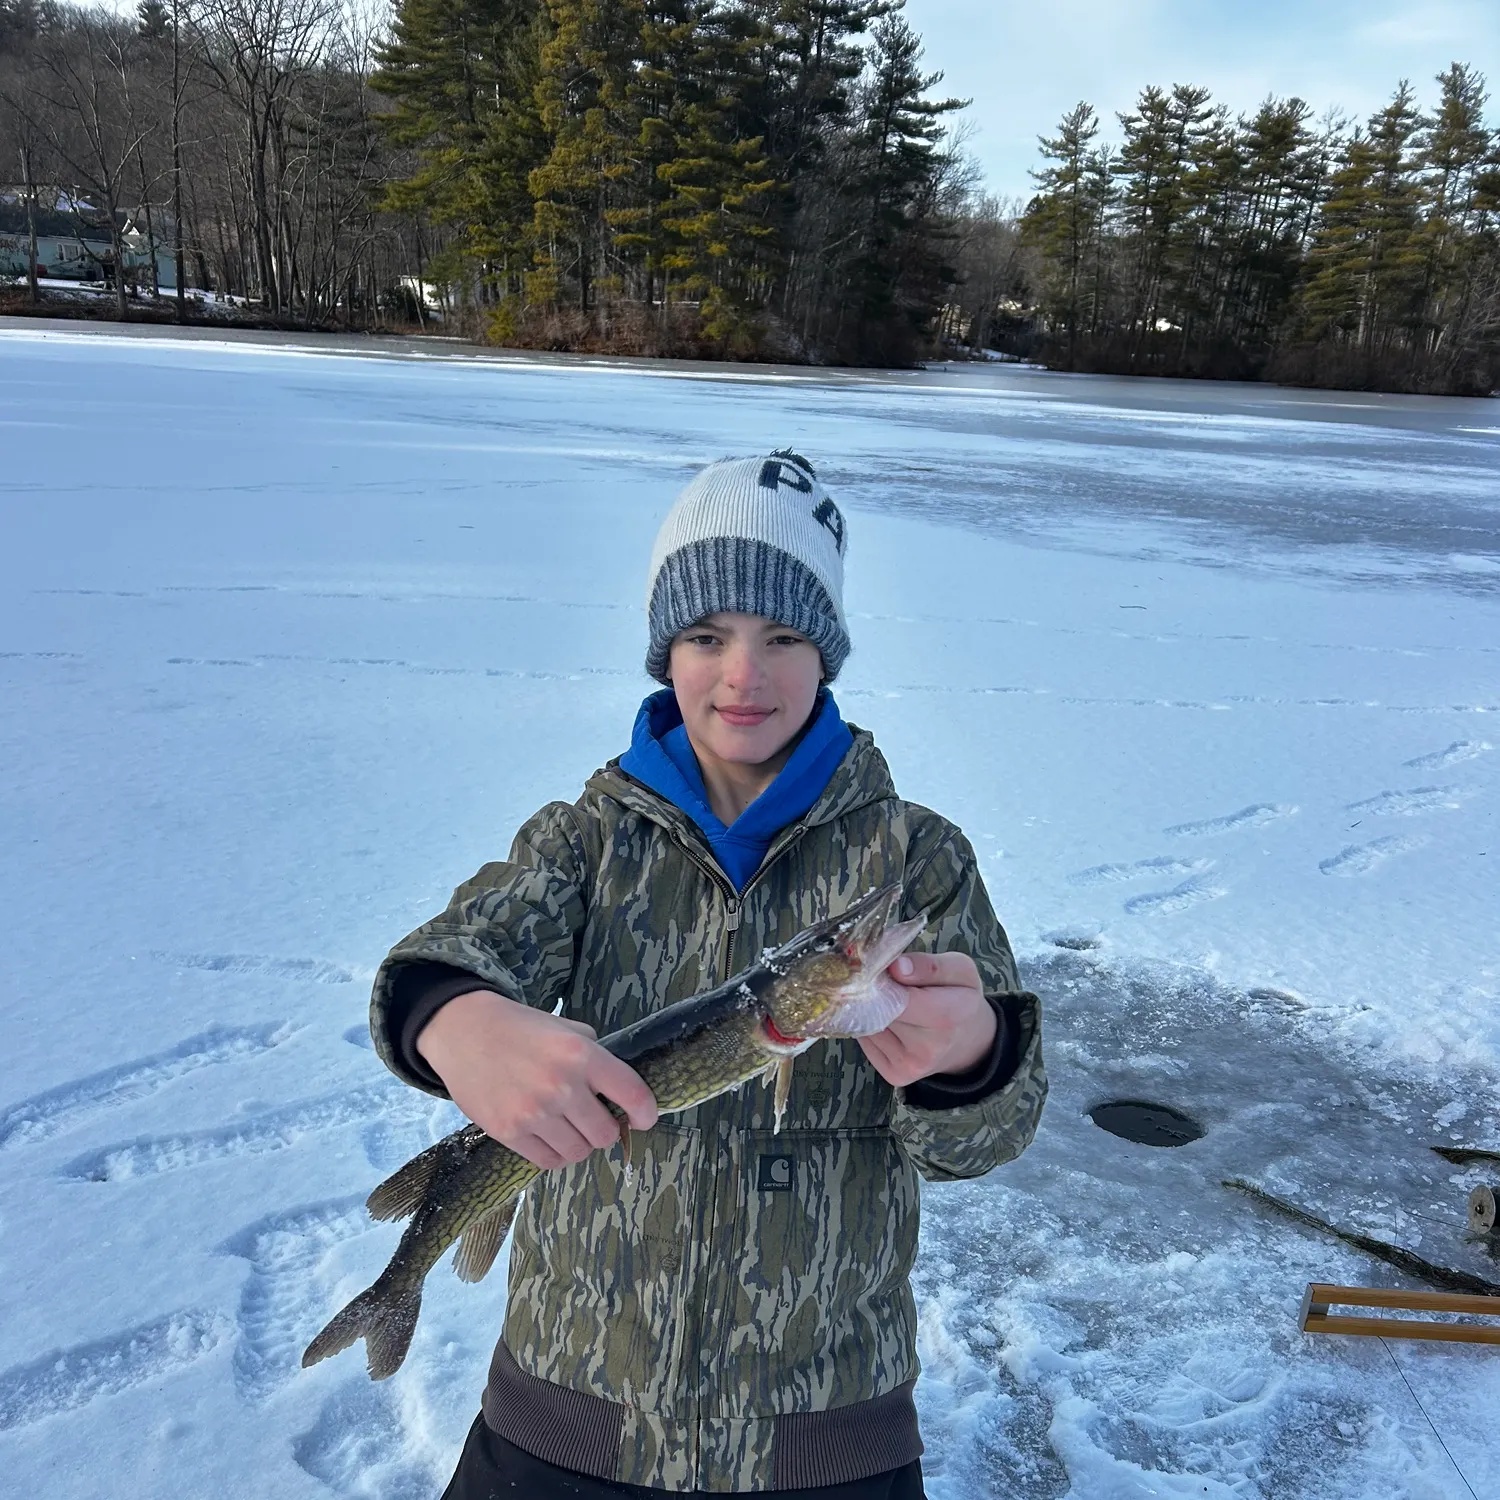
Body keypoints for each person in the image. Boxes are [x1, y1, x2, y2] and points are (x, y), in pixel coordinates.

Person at [370, 451, 1047, 1498]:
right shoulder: (583, 844)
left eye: (783, 637)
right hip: (566, 1417)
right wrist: (455, 1020)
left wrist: (972, 1059)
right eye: (706, 636)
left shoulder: (917, 858)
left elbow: (987, 1140)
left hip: (827, 1437)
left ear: (826, 652)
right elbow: (462, 949)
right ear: (665, 652)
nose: (745, 675)